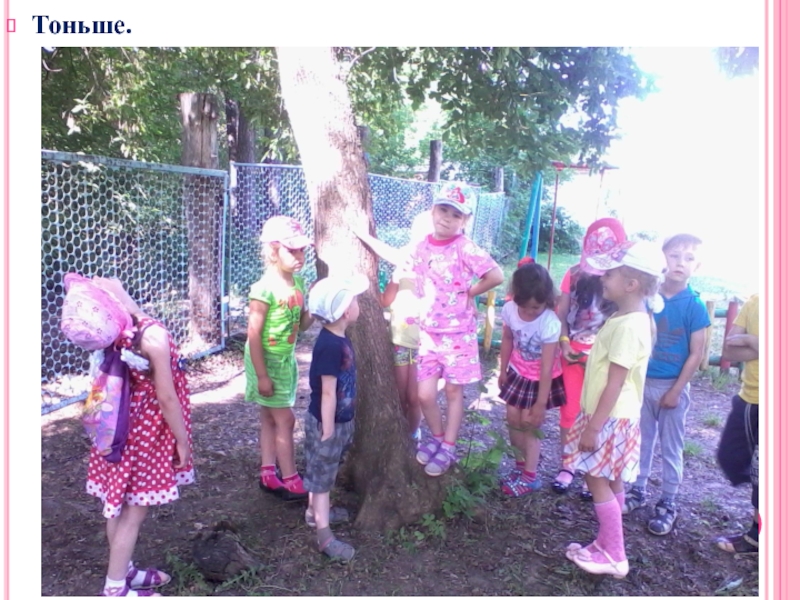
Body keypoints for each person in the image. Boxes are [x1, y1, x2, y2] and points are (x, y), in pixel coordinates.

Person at [84, 277, 194, 597]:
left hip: (115, 430)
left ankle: (125, 570)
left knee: (116, 505)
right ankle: (115, 588)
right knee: (133, 513)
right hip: (145, 438)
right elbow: (167, 398)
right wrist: (182, 440)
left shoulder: (117, 333)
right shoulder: (153, 335)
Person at [562, 240, 666, 578]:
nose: (603, 278)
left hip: (608, 418)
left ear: (631, 284)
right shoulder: (625, 318)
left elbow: (616, 382)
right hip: (614, 416)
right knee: (613, 480)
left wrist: (593, 427)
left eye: (610, 274)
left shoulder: (629, 326)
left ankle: (616, 555)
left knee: (596, 479)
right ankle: (605, 542)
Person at [406, 181, 504, 477]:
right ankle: (436, 438)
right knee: (424, 394)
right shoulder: (421, 247)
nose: (447, 218)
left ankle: (448, 446)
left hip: (458, 334)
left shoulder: (465, 247)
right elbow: (418, 281)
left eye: (456, 214)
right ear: (433, 210)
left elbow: (496, 275)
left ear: (465, 220)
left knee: (452, 391)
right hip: (428, 334)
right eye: (443, 210)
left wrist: (469, 293)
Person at [622, 234, 710, 535]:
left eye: (689, 258)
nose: (680, 263)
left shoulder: (694, 306)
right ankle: (637, 490)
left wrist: (676, 390)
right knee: (641, 440)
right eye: (674, 256)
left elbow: (696, 352)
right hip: (642, 383)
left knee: (672, 446)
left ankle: (669, 501)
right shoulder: (649, 297)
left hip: (673, 386)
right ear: (663, 259)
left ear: (697, 266)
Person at [553, 218, 626, 500]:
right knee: (569, 411)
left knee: (600, 413)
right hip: (572, 351)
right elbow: (562, 313)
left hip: (605, 355)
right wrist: (563, 343)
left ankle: (593, 471)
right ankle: (568, 464)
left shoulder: (623, 280)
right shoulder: (573, 274)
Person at [244, 216, 314, 501]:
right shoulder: (263, 289)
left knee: (269, 417)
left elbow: (302, 325)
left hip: (285, 359)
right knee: (285, 420)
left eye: (302, 250)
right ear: (273, 250)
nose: (299, 256)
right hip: (266, 360)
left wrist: (315, 307)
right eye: (291, 250)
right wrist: (262, 375)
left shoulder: (299, 283)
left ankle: (268, 474)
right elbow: (253, 335)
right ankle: (290, 478)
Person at [304, 274, 369, 562]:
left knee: (322, 471)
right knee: (322, 479)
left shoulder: (339, 338)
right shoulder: (330, 345)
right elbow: (328, 391)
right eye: (354, 300)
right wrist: (328, 429)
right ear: (344, 311)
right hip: (327, 423)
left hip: (339, 421)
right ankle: (324, 536)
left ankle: (313, 513)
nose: (358, 304)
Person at [352, 212, 431, 439]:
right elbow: (384, 301)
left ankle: (412, 435)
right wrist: (396, 279)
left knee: (415, 397)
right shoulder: (404, 262)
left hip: (424, 345)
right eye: (418, 236)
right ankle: (400, 435)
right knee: (400, 394)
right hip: (400, 341)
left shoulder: (437, 268)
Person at [497, 257, 566, 496]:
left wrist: (540, 403)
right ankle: (519, 466)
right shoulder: (509, 310)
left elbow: (547, 367)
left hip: (540, 380)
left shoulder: (549, 323)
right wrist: (503, 369)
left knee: (530, 423)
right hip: (517, 372)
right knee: (512, 418)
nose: (529, 312)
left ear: (546, 300)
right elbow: (508, 339)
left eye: (535, 307)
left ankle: (530, 476)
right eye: (524, 306)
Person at [715, 293, 759, 554]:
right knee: (729, 457)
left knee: (766, 475)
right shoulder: (756, 301)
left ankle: (758, 535)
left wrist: (752, 342)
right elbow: (729, 350)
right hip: (748, 399)